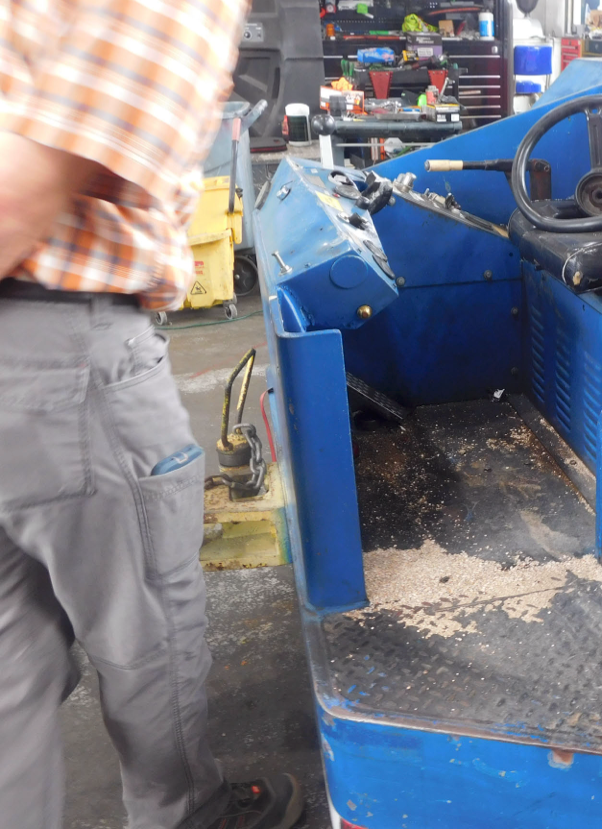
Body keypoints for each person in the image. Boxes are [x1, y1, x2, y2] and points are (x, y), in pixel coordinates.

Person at [0, 1, 303, 827]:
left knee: (11, 663)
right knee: (145, 631)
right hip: (62, 357)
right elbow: (18, 194)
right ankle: (187, 813)